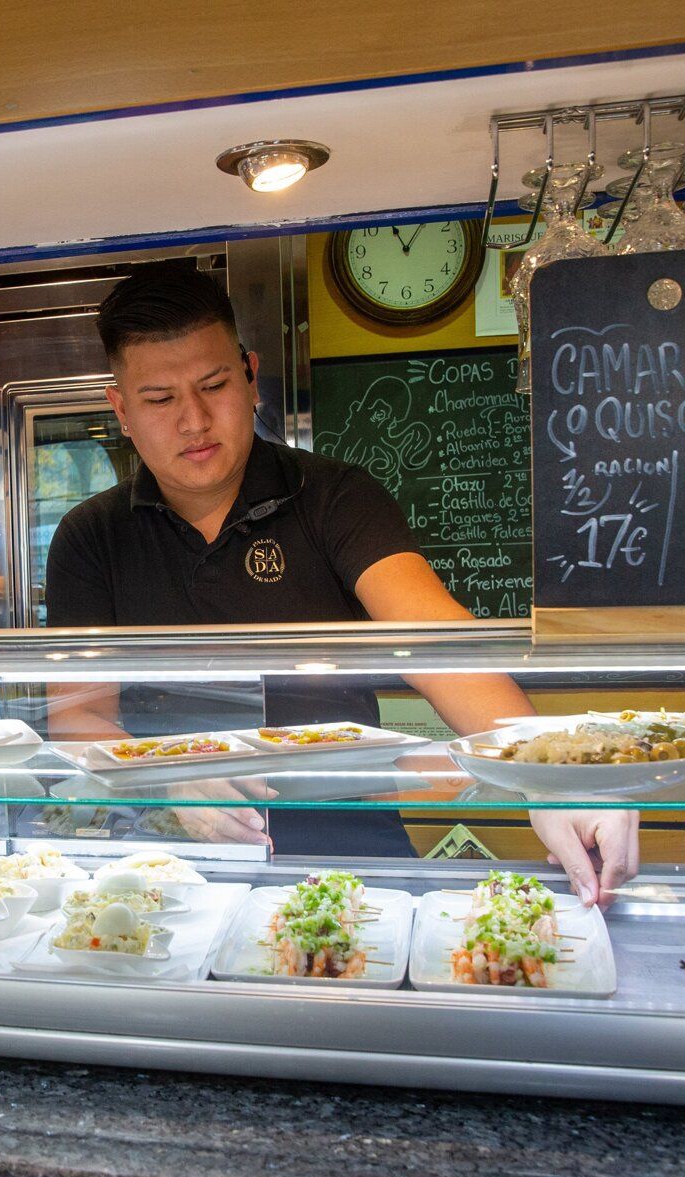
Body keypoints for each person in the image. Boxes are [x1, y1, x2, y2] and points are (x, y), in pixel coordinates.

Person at [44, 263, 638, 906]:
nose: (193, 420)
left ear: (249, 376)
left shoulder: (334, 498)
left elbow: (440, 644)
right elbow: (78, 717)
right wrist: (166, 782)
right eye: (160, 399)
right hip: (168, 863)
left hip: (348, 849)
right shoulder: (90, 537)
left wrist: (546, 772)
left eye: (213, 385)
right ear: (121, 409)